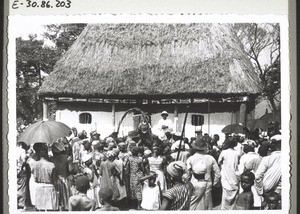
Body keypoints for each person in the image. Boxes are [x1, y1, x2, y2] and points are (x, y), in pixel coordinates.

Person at [186, 137, 221, 210]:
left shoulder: (191, 159)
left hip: (194, 183)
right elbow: (218, 173)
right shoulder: (210, 158)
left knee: (194, 204)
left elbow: (188, 174)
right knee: (207, 204)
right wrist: (215, 183)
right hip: (207, 182)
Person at [31, 143, 58, 211]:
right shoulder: (51, 165)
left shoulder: (34, 165)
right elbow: (54, 179)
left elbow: (35, 179)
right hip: (50, 188)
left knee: (40, 209)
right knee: (50, 209)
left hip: (39, 188)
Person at [218, 137, 241, 210]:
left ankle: (224, 209)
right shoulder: (237, 153)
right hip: (234, 175)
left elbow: (219, 162)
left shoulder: (224, 152)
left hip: (226, 175)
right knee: (234, 195)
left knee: (225, 195)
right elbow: (238, 163)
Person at [50, 141, 70, 211]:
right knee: (65, 201)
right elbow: (69, 170)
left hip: (55, 181)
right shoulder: (65, 158)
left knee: (57, 201)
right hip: (64, 180)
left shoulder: (50, 159)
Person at [17, 141, 32, 210]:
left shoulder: (14, 149)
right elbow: (23, 161)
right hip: (21, 170)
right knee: (23, 187)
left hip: (15, 169)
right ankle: (22, 203)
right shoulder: (22, 151)